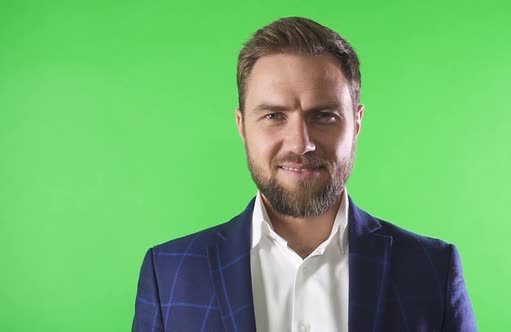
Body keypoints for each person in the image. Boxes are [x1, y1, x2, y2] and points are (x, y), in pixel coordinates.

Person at [132, 17, 477, 332]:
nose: (301, 143)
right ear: (242, 126)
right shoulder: (169, 273)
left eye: (324, 115)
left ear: (356, 123)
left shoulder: (432, 270)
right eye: (273, 116)